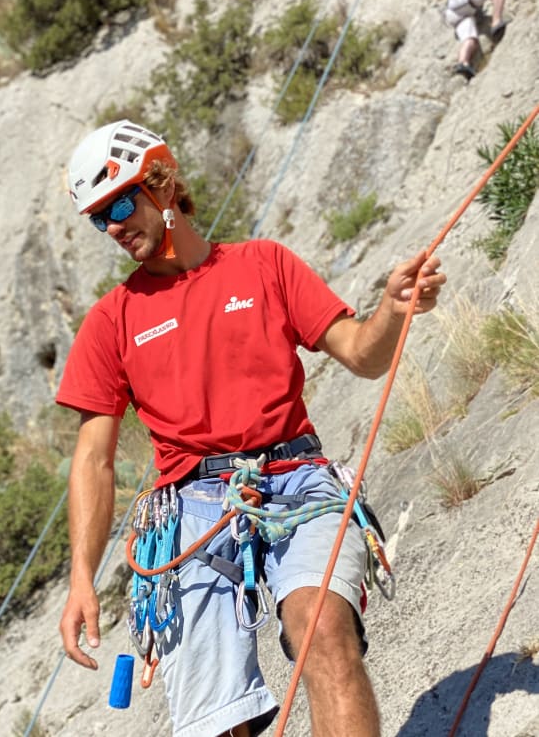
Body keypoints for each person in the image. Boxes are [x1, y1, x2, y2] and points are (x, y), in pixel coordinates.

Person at [56, 119, 447, 737]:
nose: (112, 226)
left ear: (163, 184)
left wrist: (393, 312)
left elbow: (361, 354)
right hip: (190, 509)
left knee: (323, 631)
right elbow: (92, 459)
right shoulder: (112, 320)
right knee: (216, 721)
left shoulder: (263, 264)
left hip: (297, 480)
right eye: (98, 218)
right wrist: (82, 576)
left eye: (120, 204)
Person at [444, 0, 510, 80]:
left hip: (455, 14)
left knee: (470, 40)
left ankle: (463, 64)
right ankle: (496, 22)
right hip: (460, 0)